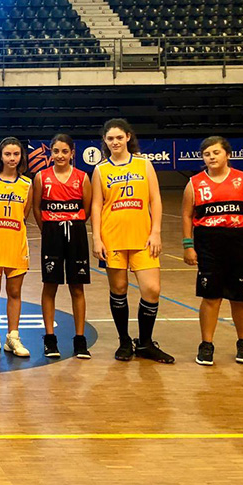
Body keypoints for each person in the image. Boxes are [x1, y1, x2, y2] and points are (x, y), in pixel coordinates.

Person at [91, 118, 174, 363]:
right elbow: (96, 205)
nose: (115, 142)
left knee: (152, 289)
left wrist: (156, 231)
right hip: (112, 237)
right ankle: (125, 341)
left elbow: (155, 199)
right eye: (110, 138)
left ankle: (145, 343)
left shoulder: (143, 164)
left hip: (143, 237)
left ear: (128, 137)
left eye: (119, 137)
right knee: (118, 289)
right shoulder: (100, 170)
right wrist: (96, 238)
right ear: (105, 141)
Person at [182, 136, 243, 365]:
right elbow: (187, 215)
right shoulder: (195, 183)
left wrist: (237, 223)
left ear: (227, 154)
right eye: (207, 154)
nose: (211, 157)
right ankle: (206, 345)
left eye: (216, 152)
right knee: (211, 296)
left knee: (240, 297)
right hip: (208, 242)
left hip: (238, 242)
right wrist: (188, 245)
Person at [33, 134, 93, 359]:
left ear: (72, 153)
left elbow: (86, 208)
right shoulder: (42, 177)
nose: (60, 155)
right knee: (50, 285)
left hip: (76, 233)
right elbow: (36, 207)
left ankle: (80, 340)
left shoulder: (82, 178)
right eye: (56, 151)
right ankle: (50, 339)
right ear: (50, 152)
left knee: (77, 287)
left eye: (64, 151)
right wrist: (48, 229)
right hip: (52, 233)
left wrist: (73, 222)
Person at [0, 137, 33, 358]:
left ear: (21, 156)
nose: (12, 158)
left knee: (15, 292)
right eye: (7, 154)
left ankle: (13, 337)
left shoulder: (27, 184)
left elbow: (25, 215)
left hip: (16, 243)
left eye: (16, 154)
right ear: (0, 156)